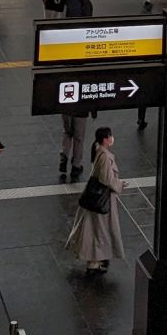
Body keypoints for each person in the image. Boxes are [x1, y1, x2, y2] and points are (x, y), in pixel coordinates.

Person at [67, 126, 126, 276]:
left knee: (93, 229)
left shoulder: (98, 150)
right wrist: (119, 184)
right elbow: (106, 179)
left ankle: (94, 260)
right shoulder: (106, 157)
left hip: (94, 197)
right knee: (100, 230)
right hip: (103, 199)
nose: (112, 138)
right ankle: (95, 261)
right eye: (110, 136)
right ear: (105, 139)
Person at [59, 107, 91, 178]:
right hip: (80, 110)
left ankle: (64, 158)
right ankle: (76, 166)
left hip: (66, 108)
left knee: (67, 133)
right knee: (78, 138)